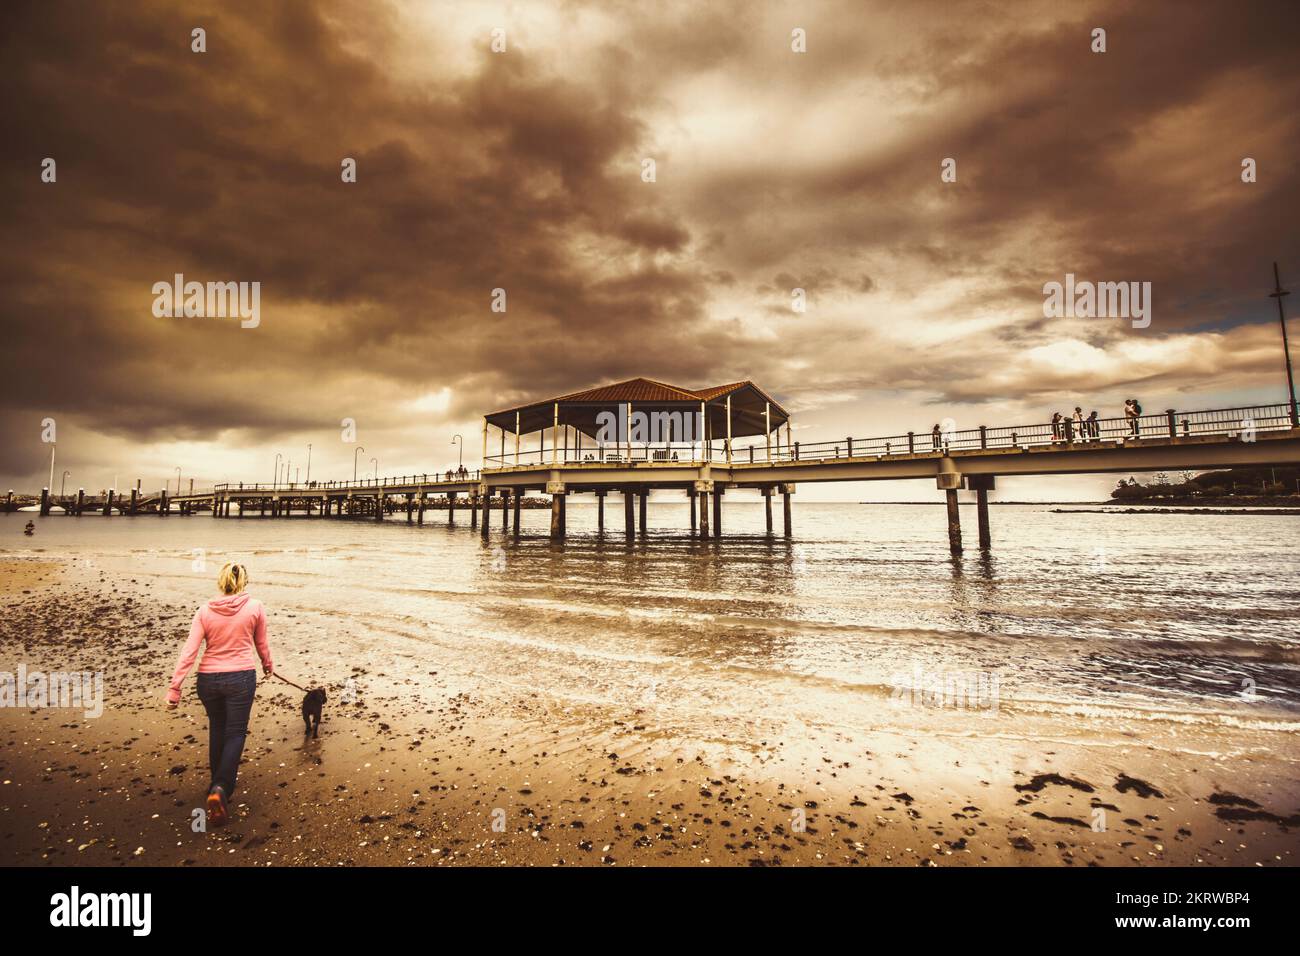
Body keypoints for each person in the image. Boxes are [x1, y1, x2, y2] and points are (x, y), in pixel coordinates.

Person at [165, 562, 273, 827]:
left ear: (220, 581)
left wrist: (174, 688)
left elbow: (189, 651)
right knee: (235, 732)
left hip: (208, 680)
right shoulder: (255, 607)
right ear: (244, 582)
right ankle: (221, 788)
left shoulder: (204, 610)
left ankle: (216, 785)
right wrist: (268, 665)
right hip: (240, 677)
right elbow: (262, 644)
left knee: (217, 728)